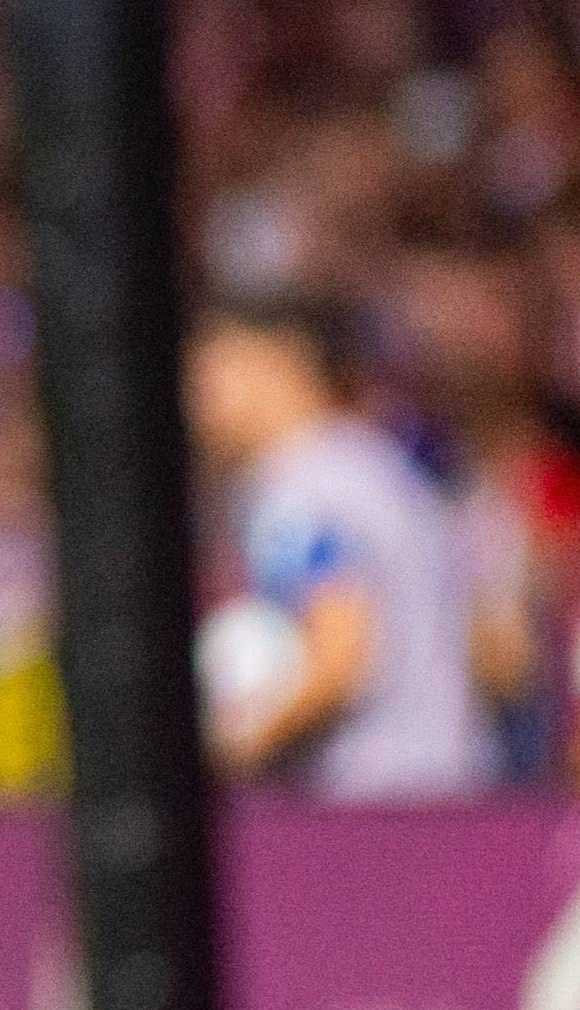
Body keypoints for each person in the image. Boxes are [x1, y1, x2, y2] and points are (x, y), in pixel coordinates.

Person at [185, 296, 490, 797]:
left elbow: (341, 653)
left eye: (213, 361)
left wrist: (231, 742)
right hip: (451, 784)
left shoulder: (293, 491)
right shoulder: (377, 463)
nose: (197, 391)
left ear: (281, 358)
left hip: (368, 801)